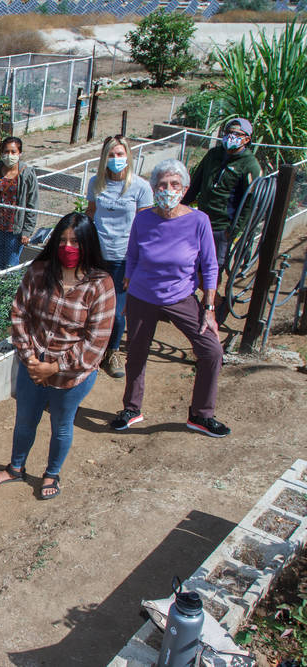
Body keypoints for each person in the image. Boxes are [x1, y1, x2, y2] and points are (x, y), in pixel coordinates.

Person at [0, 213, 114, 499]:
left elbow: (95, 343)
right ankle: (16, 468)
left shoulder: (100, 285)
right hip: (31, 368)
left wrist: (53, 367)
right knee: (25, 421)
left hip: (71, 375)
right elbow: (19, 313)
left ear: (88, 244)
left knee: (62, 425)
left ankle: (52, 474)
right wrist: (30, 359)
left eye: (75, 242)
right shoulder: (39, 271)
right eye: (63, 241)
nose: (68, 247)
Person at [111, 159, 228, 437]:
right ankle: (131, 408)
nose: (168, 190)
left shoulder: (199, 221)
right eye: (162, 184)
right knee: (136, 354)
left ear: (185, 189)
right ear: (154, 189)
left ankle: (201, 414)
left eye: (174, 184)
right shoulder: (144, 218)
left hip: (181, 296)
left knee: (212, 351)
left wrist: (208, 308)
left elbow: (210, 266)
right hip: (142, 295)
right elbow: (133, 256)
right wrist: (127, 293)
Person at [86, 135, 154, 379]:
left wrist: (137, 265)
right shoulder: (96, 183)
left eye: (120, 154)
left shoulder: (140, 187)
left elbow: (146, 226)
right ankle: (93, 350)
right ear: (104, 158)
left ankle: (112, 351)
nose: (116, 159)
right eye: (111, 155)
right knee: (94, 306)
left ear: (128, 157)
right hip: (98, 256)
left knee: (116, 312)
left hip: (124, 258)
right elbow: (90, 214)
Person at [181, 117, 262, 323]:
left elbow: (250, 202)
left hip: (222, 227)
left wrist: (234, 231)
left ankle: (214, 305)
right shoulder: (214, 155)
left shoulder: (249, 165)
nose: (231, 137)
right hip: (200, 221)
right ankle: (208, 301)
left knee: (212, 269)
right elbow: (196, 183)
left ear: (247, 139)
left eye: (237, 134)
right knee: (189, 264)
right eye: (228, 132)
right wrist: (180, 208)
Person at [0, 136, 39, 269]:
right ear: (1, 153)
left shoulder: (27, 174)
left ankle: (11, 288)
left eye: (13, 152)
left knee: (11, 263)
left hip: (15, 228)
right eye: (6, 152)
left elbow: (32, 204)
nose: (9, 155)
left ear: (20, 153)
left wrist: (27, 230)